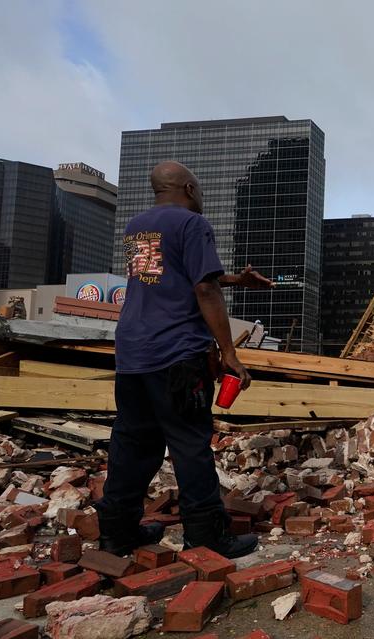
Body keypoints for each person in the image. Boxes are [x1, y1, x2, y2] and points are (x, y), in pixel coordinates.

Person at [94, 161, 270, 559]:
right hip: (177, 354)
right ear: (190, 187)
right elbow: (203, 288)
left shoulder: (137, 228)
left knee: (133, 443)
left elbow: (167, 273)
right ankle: (207, 536)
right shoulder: (193, 225)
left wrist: (236, 279)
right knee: (190, 443)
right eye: (201, 189)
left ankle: (116, 534)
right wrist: (229, 352)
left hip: (134, 354)